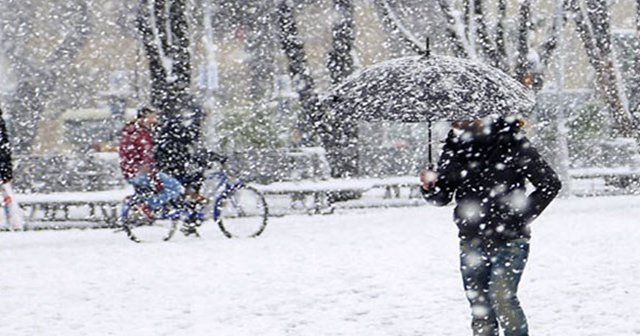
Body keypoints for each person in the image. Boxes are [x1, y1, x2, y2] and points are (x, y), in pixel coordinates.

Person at [420, 116, 561, 336]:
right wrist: (430, 187)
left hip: (511, 239)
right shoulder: (454, 147)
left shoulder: (512, 141)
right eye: (452, 117)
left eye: (459, 115)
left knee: (502, 299)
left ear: (479, 114)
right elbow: (443, 197)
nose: (454, 121)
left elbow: (549, 184)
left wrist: (517, 219)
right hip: (471, 239)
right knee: (480, 308)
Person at [119, 107, 184, 218]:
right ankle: (148, 205)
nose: (154, 121)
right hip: (139, 173)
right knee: (176, 187)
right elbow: (144, 159)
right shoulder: (140, 135)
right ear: (142, 118)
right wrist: (154, 178)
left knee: (169, 186)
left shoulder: (135, 132)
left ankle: (151, 204)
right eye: (151, 117)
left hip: (133, 172)